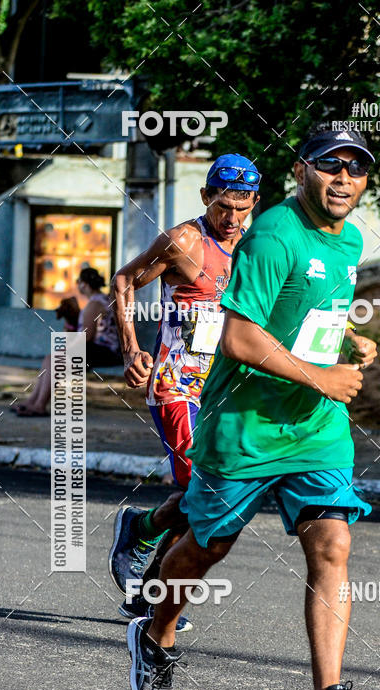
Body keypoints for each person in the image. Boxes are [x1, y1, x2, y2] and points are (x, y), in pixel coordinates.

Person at [125, 126, 380, 690]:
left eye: (356, 168)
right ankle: (155, 633)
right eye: (331, 165)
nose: (344, 178)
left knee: (332, 545)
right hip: (245, 424)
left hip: (315, 428)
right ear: (301, 171)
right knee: (206, 546)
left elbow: (311, 307)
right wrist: (322, 377)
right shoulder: (273, 234)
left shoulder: (349, 239)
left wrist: (348, 340)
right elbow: (239, 337)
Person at [108, 154, 261, 631]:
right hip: (176, 384)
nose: (231, 218)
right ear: (205, 197)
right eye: (222, 206)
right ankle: (146, 555)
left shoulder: (255, 246)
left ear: (254, 203)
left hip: (222, 390)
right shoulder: (184, 241)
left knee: (205, 493)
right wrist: (131, 349)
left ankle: (143, 557)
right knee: (202, 488)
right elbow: (125, 280)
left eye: (241, 208)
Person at [13, 268, 121, 416]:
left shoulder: (95, 304)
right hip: (101, 350)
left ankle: (39, 405)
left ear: (84, 284)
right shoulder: (101, 300)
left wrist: (67, 347)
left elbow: (87, 336)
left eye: (78, 282)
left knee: (55, 359)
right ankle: (32, 401)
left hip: (103, 352)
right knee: (50, 359)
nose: (77, 285)